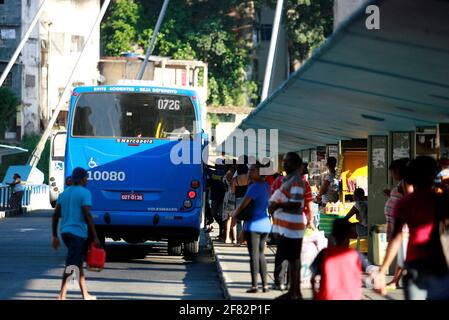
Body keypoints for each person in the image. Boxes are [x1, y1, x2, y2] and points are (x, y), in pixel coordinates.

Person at [374, 156, 449, 300]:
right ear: (435, 175)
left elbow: (396, 238)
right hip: (441, 264)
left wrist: (382, 271)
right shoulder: (442, 201)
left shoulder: (405, 203)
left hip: (415, 264)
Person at [51, 167, 101, 300]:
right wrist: (95, 236)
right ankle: (62, 295)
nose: (88, 180)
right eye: (86, 178)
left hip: (65, 233)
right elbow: (87, 214)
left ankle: (85, 294)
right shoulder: (85, 193)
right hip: (77, 234)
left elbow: (56, 215)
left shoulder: (64, 194)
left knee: (78, 263)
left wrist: (54, 235)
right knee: (71, 264)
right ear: (83, 178)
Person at [268, 152, 305, 300]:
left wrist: (277, 205)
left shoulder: (296, 181)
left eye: (287, 162)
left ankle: (294, 291)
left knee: (294, 260)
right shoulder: (288, 180)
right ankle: (294, 291)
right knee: (291, 259)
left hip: (292, 228)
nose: (284, 164)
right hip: (285, 228)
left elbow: (296, 204)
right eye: (283, 161)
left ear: (296, 164)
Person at [232, 162, 272, 293]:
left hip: (253, 225)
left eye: (252, 170)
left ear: (259, 172)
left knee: (253, 255)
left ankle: (255, 285)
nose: (249, 172)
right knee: (261, 254)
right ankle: (265, 284)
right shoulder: (267, 186)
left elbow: (243, 204)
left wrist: (234, 215)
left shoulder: (255, 187)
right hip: (265, 224)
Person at [310, 218, 370, 300]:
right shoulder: (355, 254)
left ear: (333, 235)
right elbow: (370, 270)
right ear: (351, 235)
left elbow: (312, 278)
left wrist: (315, 295)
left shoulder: (324, 253)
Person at [383, 158, 412, 289]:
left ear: (398, 171)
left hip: (401, 223)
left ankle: (396, 280)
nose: (391, 175)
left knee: (402, 251)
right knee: (401, 251)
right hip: (396, 221)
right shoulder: (402, 182)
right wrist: (391, 194)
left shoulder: (406, 182)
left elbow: (410, 199)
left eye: (392, 172)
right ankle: (396, 280)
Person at [231, 163, 250, 244]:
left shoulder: (235, 179)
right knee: (247, 219)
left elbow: (233, 191)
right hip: (247, 200)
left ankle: (239, 240)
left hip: (238, 199)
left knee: (238, 220)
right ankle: (246, 239)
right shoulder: (249, 178)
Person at [222, 160, 238, 243]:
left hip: (227, 196)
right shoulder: (231, 174)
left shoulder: (228, 173)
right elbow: (232, 186)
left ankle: (230, 237)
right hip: (232, 196)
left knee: (229, 218)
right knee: (231, 217)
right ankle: (231, 238)